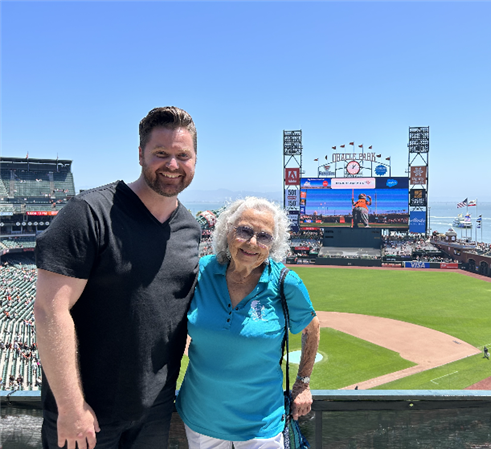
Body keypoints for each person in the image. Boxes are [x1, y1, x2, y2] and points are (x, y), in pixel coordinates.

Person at [34, 106, 202, 449]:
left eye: (182, 155)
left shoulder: (191, 229)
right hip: (87, 413)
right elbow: (50, 310)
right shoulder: (89, 213)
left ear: (195, 159)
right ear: (140, 154)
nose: (172, 164)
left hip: (154, 413)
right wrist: (71, 406)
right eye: (161, 153)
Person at [176, 197, 320, 449]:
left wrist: (302, 384)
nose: (253, 243)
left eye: (264, 236)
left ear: (273, 244)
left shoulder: (286, 281)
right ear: (227, 230)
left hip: (261, 422)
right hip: (201, 417)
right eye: (244, 231)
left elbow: (312, 327)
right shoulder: (202, 272)